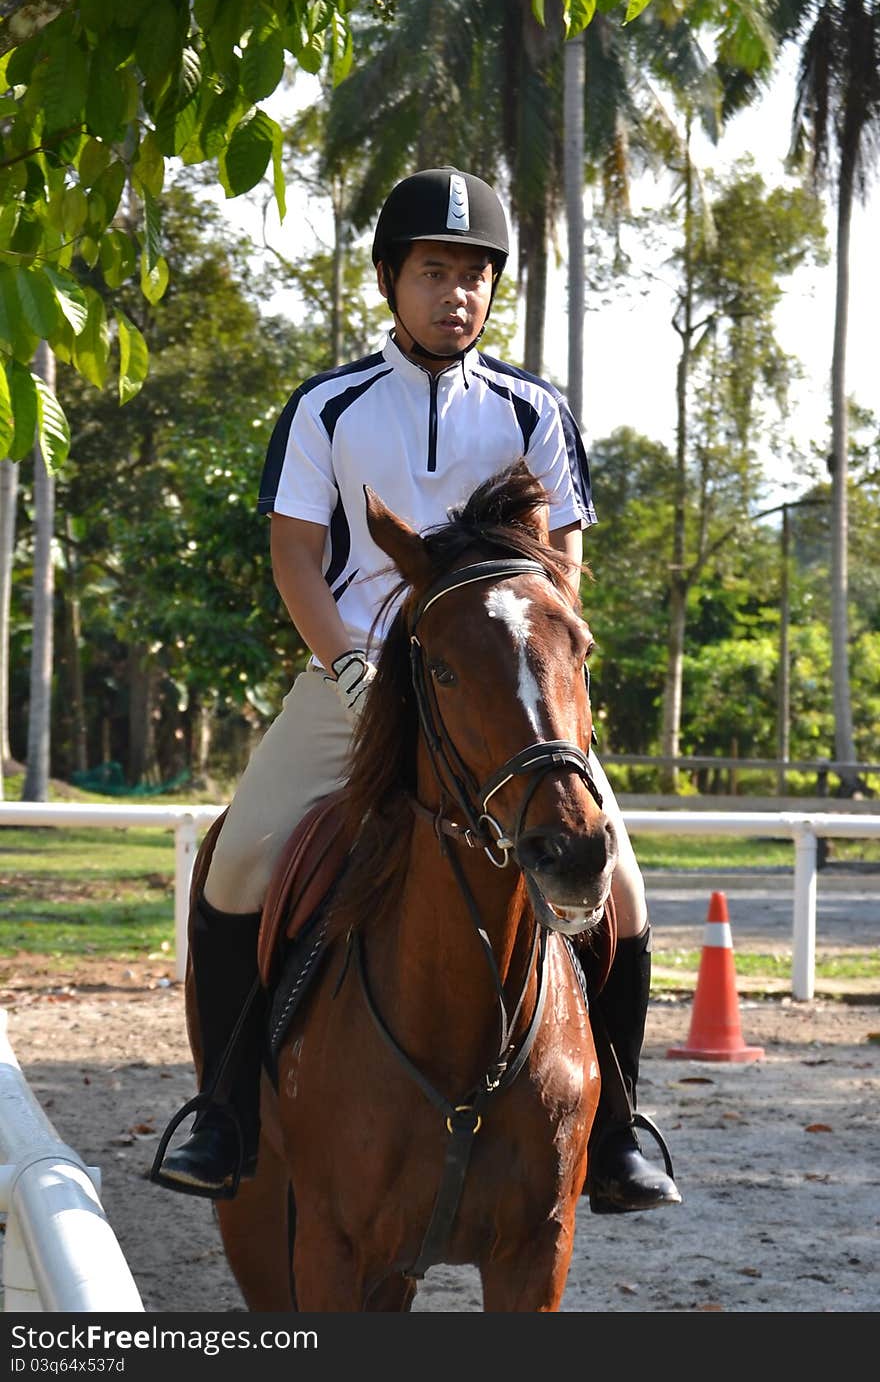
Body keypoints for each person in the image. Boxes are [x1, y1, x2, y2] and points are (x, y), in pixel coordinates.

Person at [152, 166, 681, 1215]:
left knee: (618, 885)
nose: (458, 295)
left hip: (500, 691)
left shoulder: (534, 411)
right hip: (355, 676)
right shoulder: (328, 406)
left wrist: (538, 679)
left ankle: (618, 1126)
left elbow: (560, 566)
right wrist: (349, 662)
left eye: (476, 275)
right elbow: (297, 556)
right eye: (435, 272)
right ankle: (223, 1111)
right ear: (392, 279)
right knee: (241, 860)